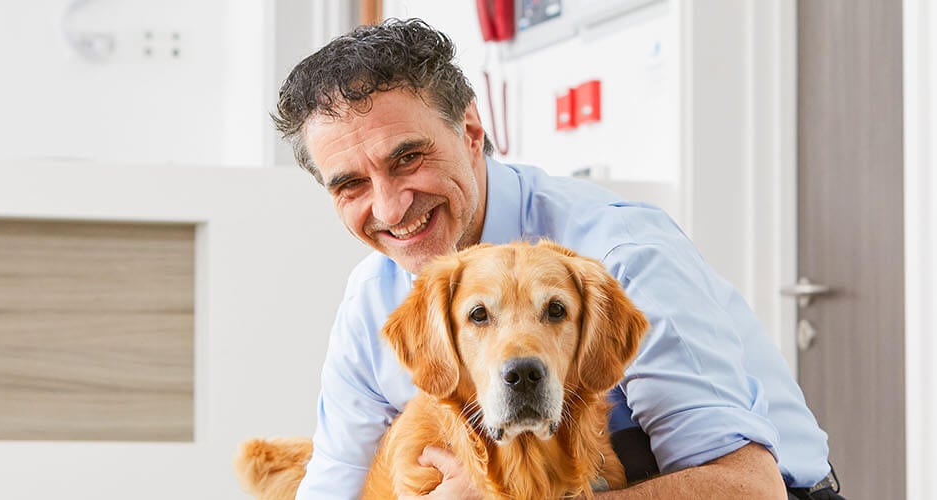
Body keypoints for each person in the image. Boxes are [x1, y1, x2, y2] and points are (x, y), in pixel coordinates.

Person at [274, 19, 841, 500]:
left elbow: (748, 487)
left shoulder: (620, 255)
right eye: (350, 184)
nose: (391, 207)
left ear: (471, 130)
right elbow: (333, 484)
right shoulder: (372, 297)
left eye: (408, 158)